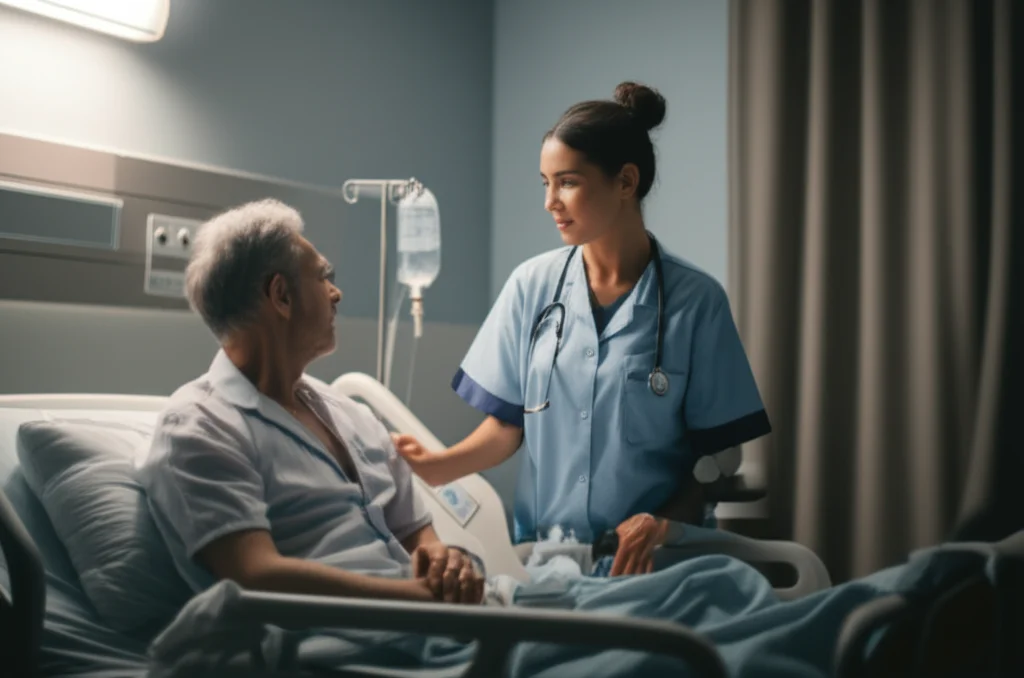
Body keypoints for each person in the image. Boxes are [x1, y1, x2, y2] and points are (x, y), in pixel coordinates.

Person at [135, 198, 781, 676]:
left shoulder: (346, 413)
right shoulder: (200, 425)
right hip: (381, 644)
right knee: (684, 656)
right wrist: (417, 598)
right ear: (279, 294)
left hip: (458, 616)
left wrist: (442, 558)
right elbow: (255, 576)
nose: (335, 293)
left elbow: (420, 531)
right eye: (322, 276)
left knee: (719, 586)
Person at [393, 82, 772, 576]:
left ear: (626, 181)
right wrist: (434, 465)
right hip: (550, 563)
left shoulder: (696, 303)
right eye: (545, 183)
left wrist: (661, 524)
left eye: (567, 182)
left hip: (656, 566)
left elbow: (711, 462)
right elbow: (509, 426)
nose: (551, 201)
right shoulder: (531, 287)